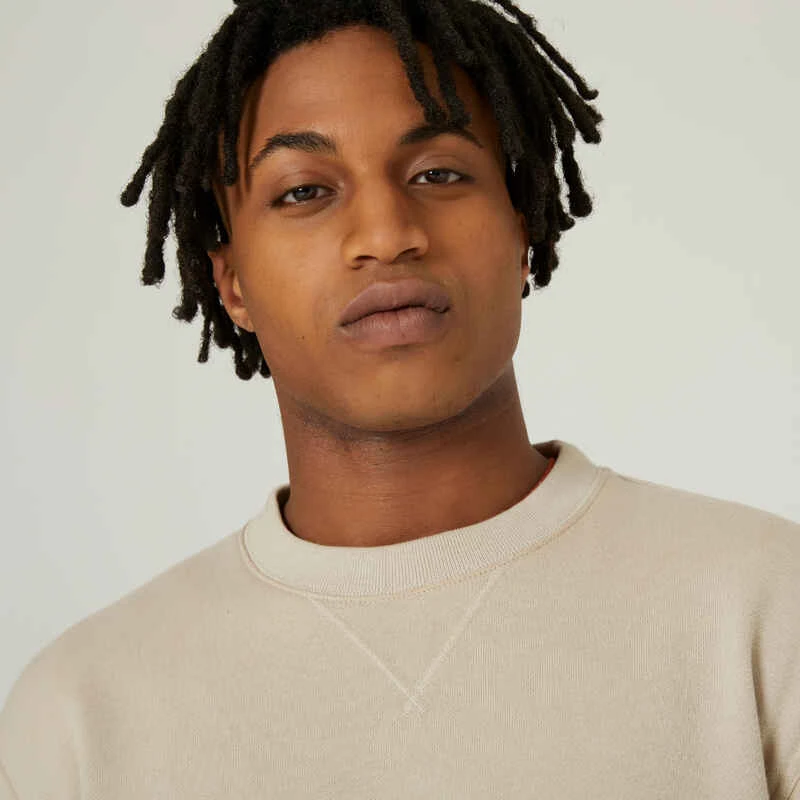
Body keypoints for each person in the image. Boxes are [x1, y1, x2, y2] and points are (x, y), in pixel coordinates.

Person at [1, 0, 798, 797]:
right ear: (232, 282)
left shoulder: (763, 606)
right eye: (304, 191)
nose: (385, 234)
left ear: (523, 231)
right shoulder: (81, 718)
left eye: (438, 174)